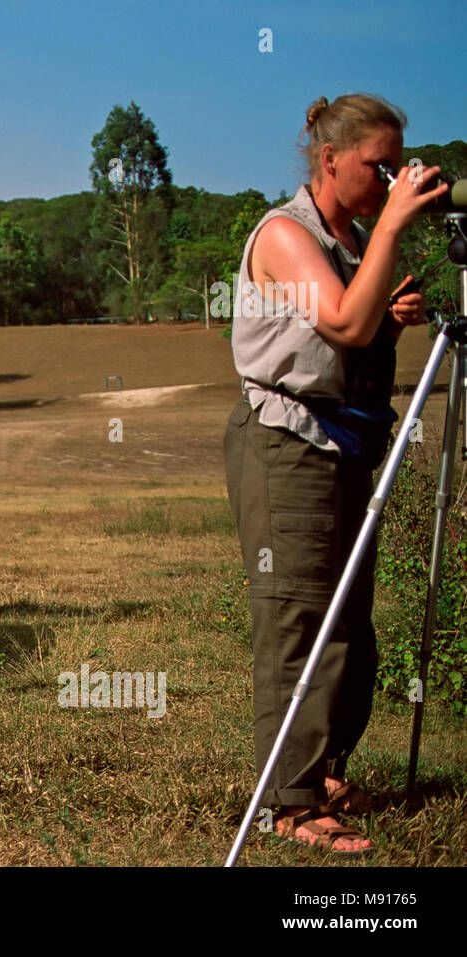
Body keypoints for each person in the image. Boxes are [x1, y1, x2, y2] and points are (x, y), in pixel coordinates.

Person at [224, 93, 448, 853]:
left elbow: (357, 330)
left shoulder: (350, 240)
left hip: (342, 441)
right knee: (299, 619)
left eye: (396, 168)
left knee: (349, 623)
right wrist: (390, 235)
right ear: (328, 160)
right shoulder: (288, 235)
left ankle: (322, 770)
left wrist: (391, 312)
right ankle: (287, 802)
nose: (390, 183)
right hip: (287, 443)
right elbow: (343, 322)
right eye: (376, 167)